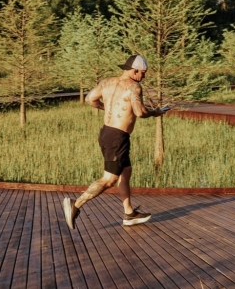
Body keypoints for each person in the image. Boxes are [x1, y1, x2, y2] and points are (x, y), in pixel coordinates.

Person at [63, 54, 169, 230]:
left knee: (126, 171)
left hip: (107, 133)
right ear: (135, 71)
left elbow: (90, 99)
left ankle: (129, 213)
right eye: (143, 73)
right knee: (109, 179)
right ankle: (75, 204)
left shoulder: (107, 82)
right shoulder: (134, 87)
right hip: (117, 139)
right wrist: (156, 112)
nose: (144, 76)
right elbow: (140, 112)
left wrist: (105, 107)